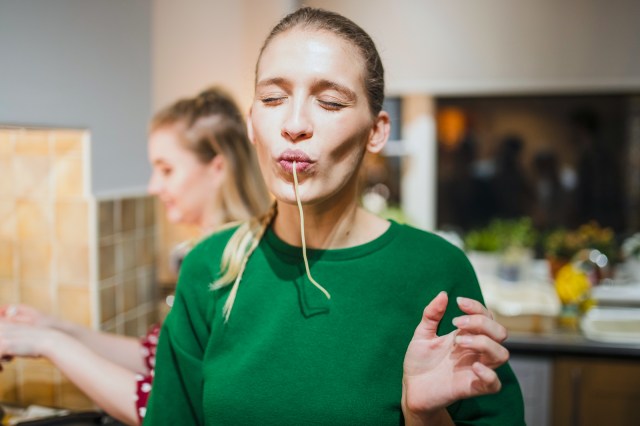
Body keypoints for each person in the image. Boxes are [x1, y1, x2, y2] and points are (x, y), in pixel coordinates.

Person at [144, 7, 525, 425]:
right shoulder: (209, 268)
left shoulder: (434, 271)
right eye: (273, 98)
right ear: (252, 123)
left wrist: (425, 415)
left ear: (376, 131)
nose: (294, 124)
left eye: (329, 102)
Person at [0, 87, 270, 425]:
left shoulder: (232, 265)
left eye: (167, 170)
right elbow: (156, 357)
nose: (153, 187)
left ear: (217, 167)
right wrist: (55, 327)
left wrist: (47, 343)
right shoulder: (214, 252)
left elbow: (161, 407)